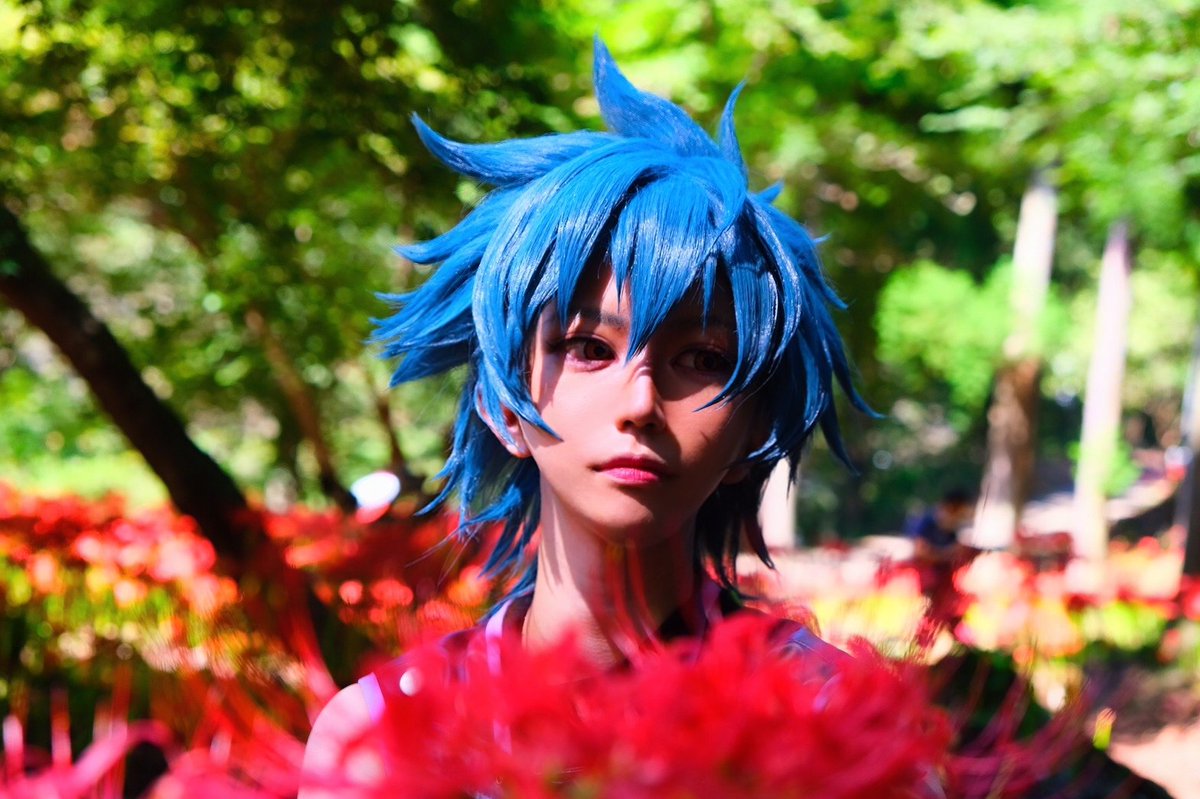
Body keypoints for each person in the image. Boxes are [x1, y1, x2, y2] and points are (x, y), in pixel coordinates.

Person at [301, 39, 866, 793]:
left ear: (753, 428)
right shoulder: (383, 734)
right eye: (588, 348)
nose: (640, 404)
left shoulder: (838, 720)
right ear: (503, 403)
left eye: (702, 359)